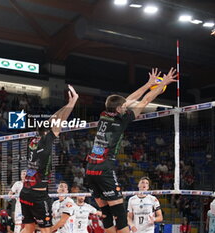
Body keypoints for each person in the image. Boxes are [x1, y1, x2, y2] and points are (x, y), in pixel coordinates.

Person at [86, 68, 177, 233]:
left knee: (105, 208)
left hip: (90, 168)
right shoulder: (121, 120)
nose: (125, 106)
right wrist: (163, 83)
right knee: (119, 211)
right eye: (123, 106)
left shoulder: (104, 115)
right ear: (120, 109)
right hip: (104, 167)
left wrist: (148, 83)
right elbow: (145, 100)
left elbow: (127, 100)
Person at [19, 85, 79, 233]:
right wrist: (72, 102)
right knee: (46, 230)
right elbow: (59, 121)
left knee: (28, 228)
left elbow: (53, 119)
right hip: (38, 195)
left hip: (25, 192)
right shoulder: (46, 141)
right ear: (47, 132)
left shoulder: (33, 141)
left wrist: (67, 104)